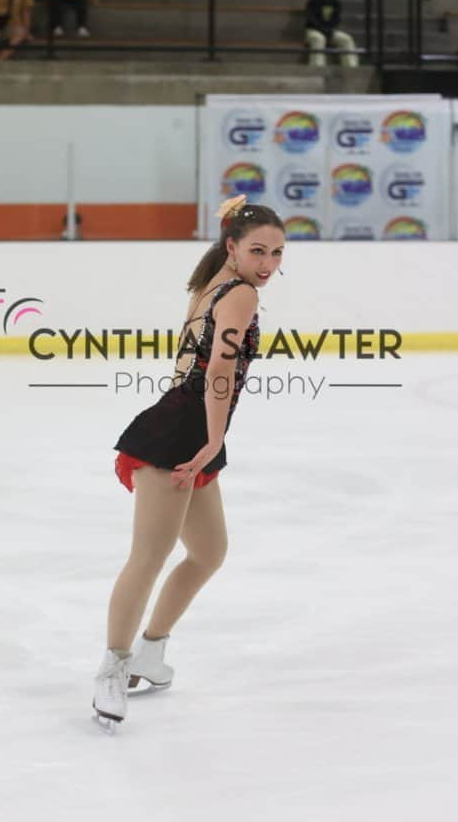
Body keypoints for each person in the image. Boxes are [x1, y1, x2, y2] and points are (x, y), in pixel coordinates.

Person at [92, 193, 286, 729]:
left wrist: (210, 441)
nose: (268, 264)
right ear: (233, 247)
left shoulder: (214, 282)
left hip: (189, 427)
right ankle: (114, 668)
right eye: (258, 251)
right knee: (148, 558)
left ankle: (152, 650)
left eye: (276, 254)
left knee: (207, 551)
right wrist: (210, 440)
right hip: (181, 433)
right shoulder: (240, 292)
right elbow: (220, 367)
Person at [304, 0, 359, 68]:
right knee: (319, 39)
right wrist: (323, 29)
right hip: (313, 30)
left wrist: (329, 30)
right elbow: (311, 19)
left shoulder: (336, 1)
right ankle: (317, 69)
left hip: (330, 30)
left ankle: (351, 68)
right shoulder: (312, 1)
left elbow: (336, 19)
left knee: (346, 39)